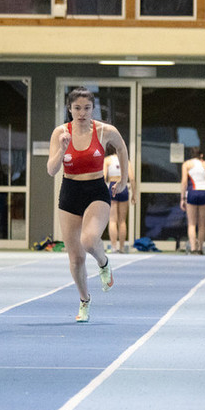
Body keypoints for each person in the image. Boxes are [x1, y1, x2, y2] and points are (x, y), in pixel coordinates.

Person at [47, 87, 128, 323]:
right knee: (76, 258)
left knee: (90, 240)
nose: (82, 113)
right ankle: (84, 300)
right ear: (69, 109)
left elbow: (122, 148)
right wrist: (62, 149)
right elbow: (51, 170)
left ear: (93, 109)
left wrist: (123, 180)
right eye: (77, 108)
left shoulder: (105, 131)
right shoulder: (60, 133)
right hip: (70, 192)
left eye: (87, 108)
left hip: (96, 190)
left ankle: (104, 263)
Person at [180, 148, 205, 255]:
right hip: (204, 192)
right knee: (202, 224)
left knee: (191, 223)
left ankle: (193, 248)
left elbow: (184, 182)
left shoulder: (187, 164)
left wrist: (182, 198)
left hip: (192, 192)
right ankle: (200, 248)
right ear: (202, 155)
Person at [102, 144, 134, 253]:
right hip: (123, 186)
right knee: (122, 221)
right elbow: (132, 178)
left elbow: (103, 176)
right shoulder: (125, 160)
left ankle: (114, 247)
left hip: (112, 186)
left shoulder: (107, 160)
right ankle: (121, 247)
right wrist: (134, 194)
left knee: (112, 220)